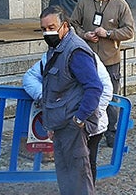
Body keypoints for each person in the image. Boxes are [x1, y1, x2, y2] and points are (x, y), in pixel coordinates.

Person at [37, 5, 104, 195]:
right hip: (62, 125)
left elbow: (94, 87)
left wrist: (79, 119)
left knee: (80, 177)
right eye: (43, 29)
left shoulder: (76, 51)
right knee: (66, 176)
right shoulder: (58, 48)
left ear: (65, 26)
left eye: (52, 28)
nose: (47, 33)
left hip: (74, 127)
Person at [23, 44, 113, 182]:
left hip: (87, 123)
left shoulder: (85, 56)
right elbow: (30, 78)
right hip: (65, 122)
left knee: (87, 163)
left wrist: (86, 118)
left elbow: (103, 89)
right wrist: (47, 99)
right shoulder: (52, 56)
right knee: (70, 164)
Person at [69, 0, 135, 147]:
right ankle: (87, 128)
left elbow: (129, 31)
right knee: (85, 94)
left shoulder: (120, 4)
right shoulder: (84, 2)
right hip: (87, 59)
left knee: (111, 98)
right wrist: (84, 35)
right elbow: (73, 24)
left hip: (109, 59)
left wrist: (109, 33)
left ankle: (111, 133)